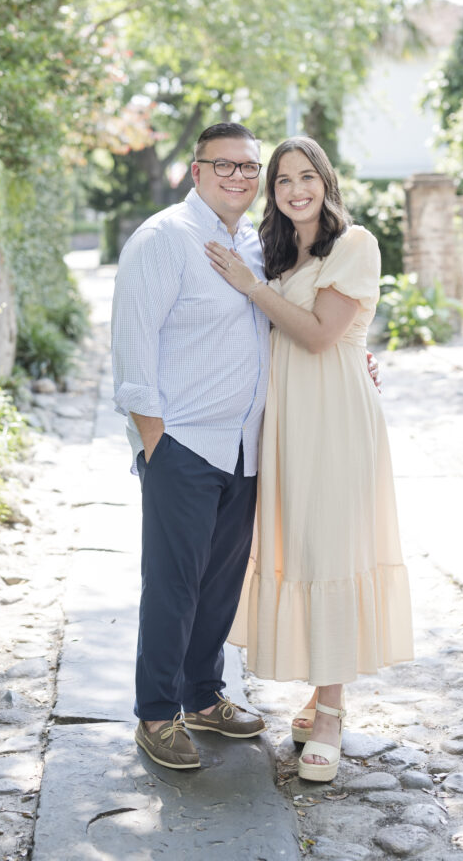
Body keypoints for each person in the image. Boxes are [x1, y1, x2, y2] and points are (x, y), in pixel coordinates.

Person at [112, 122, 380, 772]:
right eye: (224, 165)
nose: (239, 176)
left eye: (247, 167)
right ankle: (156, 714)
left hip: (250, 447)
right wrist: (153, 439)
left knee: (220, 583)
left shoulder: (259, 248)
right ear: (197, 170)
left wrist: (356, 356)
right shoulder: (162, 239)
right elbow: (133, 345)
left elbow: (303, 323)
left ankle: (204, 697)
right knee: (173, 583)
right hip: (184, 443)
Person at [205, 135, 413, 783]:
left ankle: (331, 710)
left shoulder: (354, 245)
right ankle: (319, 691)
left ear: (326, 181)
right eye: (282, 181)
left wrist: (249, 288)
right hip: (289, 423)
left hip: (337, 421)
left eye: (306, 177)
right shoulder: (276, 253)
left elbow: (322, 337)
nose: (295, 190)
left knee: (332, 553)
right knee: (303, 549)